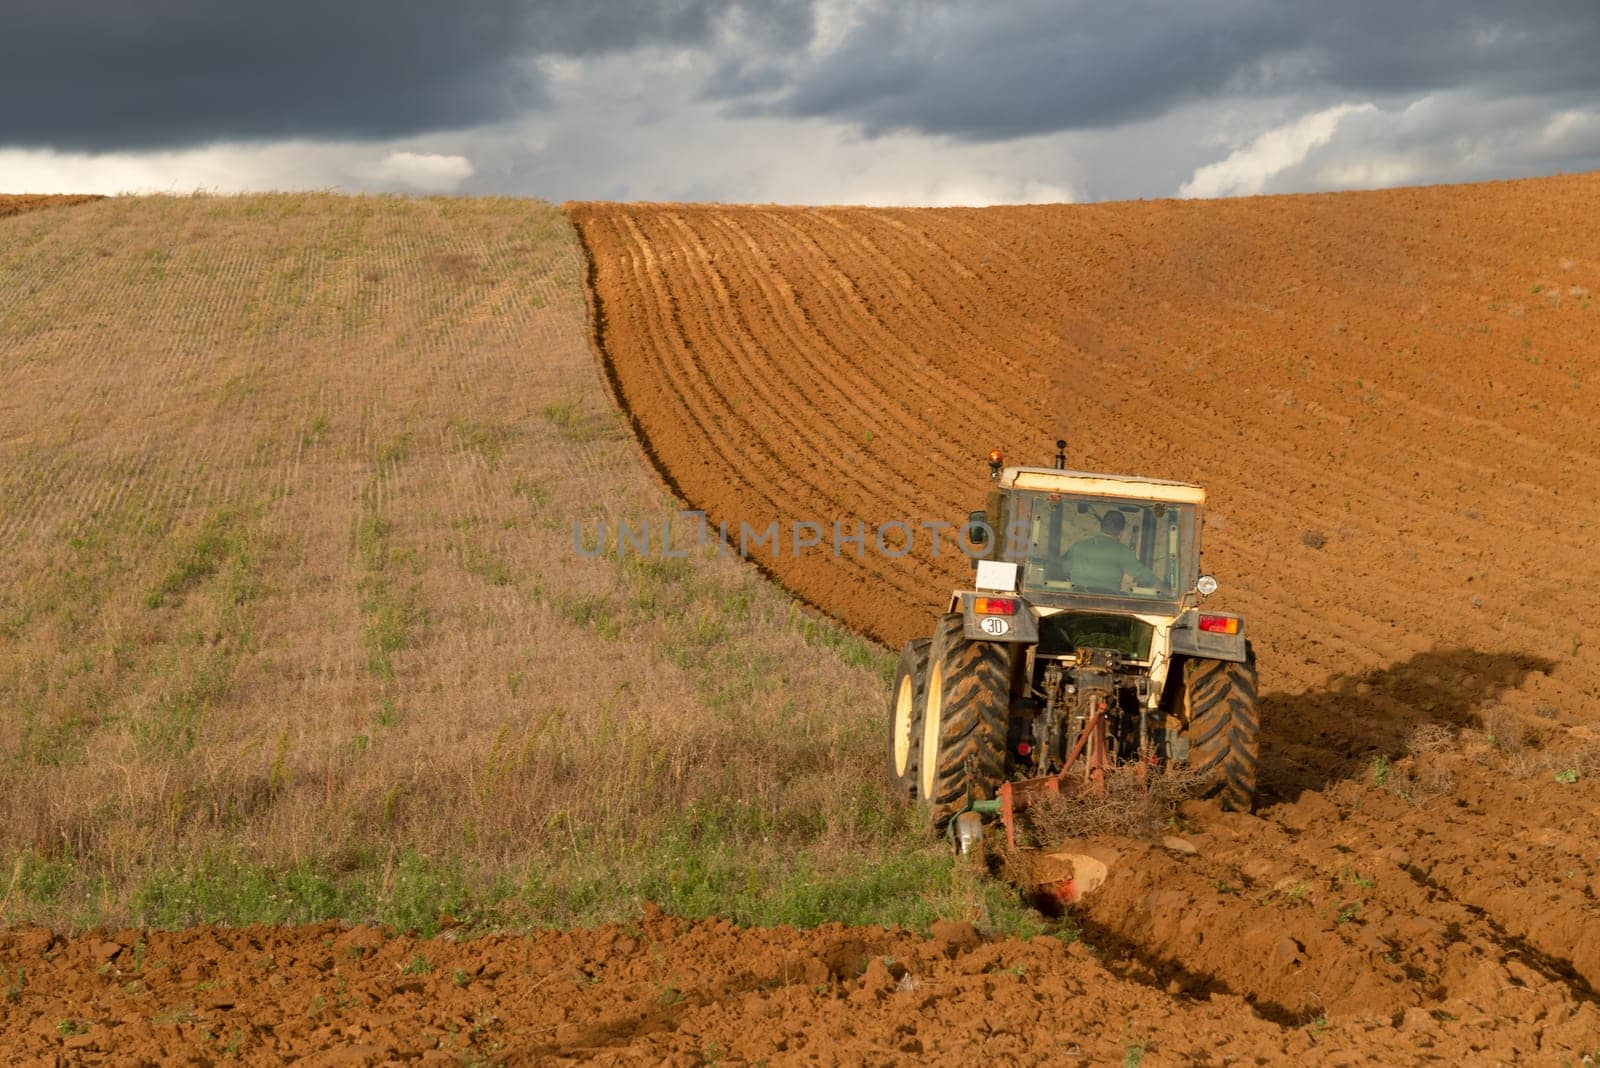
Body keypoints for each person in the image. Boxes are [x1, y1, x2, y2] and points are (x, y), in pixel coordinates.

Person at [1063, 510, 1157, 593]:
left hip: (1077, 599)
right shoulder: (1123, 551)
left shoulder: (1078, 546)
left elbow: (1062, 569)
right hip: (1107, 602)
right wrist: (1168, 591)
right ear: (1121, 532)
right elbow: (1147, 578)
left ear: (1101, 526)